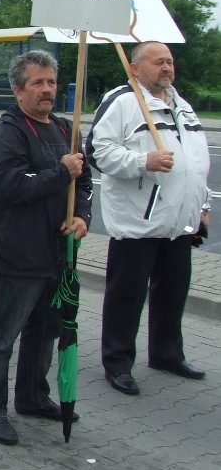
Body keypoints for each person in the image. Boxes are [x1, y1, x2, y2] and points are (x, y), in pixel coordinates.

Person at [0, 50, 92, 446]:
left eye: (52, 82)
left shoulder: (64, 128)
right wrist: (61, 172)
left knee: (45, 332)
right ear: (18, 89)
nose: (47, 90)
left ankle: (32, 396)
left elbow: (84, 183)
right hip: (18, 256)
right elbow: (11, 188)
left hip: (58, 253)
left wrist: (82, 218)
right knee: (1, 337)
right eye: (38, 83)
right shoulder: (6, 135)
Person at [86, 41, 211, 396]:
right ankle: (118, 362)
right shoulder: (124, 102)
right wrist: (144, 162)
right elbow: (97, 151)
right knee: (126, 295)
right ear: (135, 68)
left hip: (178, 223)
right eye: (159, 62)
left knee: (173, 292)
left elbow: (196, 164)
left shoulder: (182, 106)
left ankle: (167, 353)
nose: (167, 68)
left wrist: (203, 207)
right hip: (138, 223)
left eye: (169, 61)